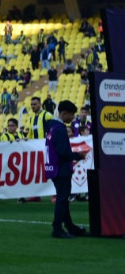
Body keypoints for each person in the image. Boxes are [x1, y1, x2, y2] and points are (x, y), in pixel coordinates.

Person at [46, 100, 87, 238]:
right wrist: (78, 155)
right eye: (71, 115)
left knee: (63, 198)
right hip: (61, 168)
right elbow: (63, 152)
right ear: (64, 113)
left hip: (55, 167)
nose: (72, 118)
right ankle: (57, 228)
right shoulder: (59, 129)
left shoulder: (52, 127)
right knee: (62, 199)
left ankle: (69, 226)